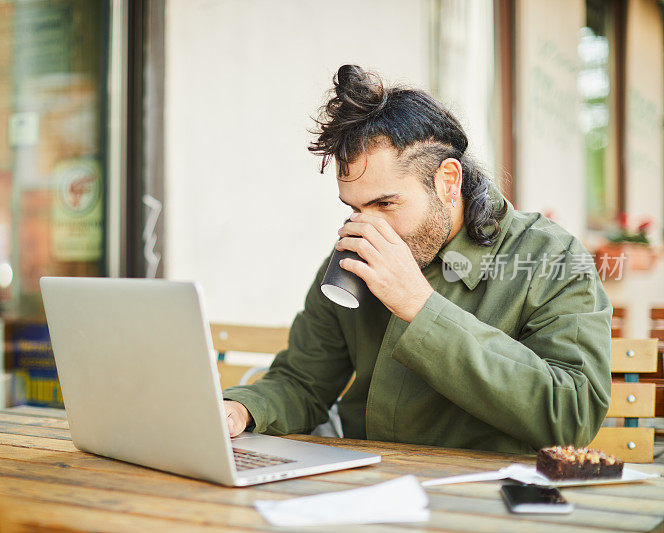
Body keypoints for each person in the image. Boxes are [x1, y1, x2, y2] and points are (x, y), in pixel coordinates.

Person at [222, 65, 612, 454]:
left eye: (386, 203)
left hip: (491, 498)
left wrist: (420, 307)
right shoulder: (356, 253)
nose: (368, 226)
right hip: (367, 486)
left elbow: (572, 413)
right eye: (354, 207)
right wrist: (241, 409)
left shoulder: (551, 258)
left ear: (448, 181)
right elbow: (303, 382)